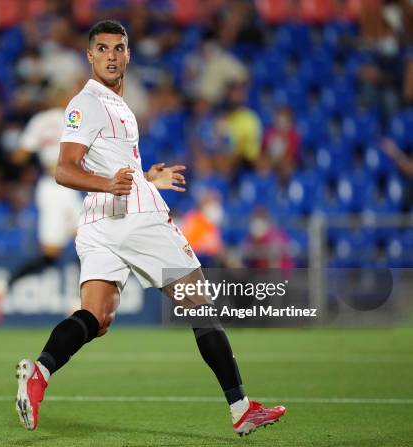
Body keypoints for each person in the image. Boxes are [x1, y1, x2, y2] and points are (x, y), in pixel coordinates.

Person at [15, 20, 285, 437]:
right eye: (101, 48)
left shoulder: (116, 102)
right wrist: (115, 184)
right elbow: (63, 169)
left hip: (100, 220)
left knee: (97, 316)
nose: (110, 55)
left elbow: (112, 163)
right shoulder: (87, 103)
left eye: (117, 48)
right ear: (89, 56)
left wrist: (145, 177)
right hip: (134, 216)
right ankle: (240, 407)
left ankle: (41, 372)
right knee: (200, 305)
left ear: (127, 54)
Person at [7, 85, 84, 287]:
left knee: (85, 243)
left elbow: (19, 156)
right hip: (62, 187)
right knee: (55, 254)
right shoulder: (73, 117)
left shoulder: (39, 121)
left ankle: (80, 301)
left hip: (53, 185)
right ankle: (5, 284)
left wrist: (39, 160)